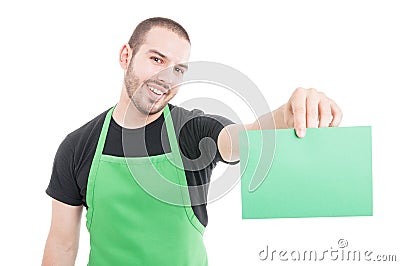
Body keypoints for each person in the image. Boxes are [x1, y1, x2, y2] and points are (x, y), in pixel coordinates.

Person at [41, 17, 342, 265]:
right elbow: (62, 247)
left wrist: (286, 114)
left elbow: (243, 137)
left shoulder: (192, 131)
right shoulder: (77, 146)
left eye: (178, 69)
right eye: (156, 58)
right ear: (126, 56)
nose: (166, 78)